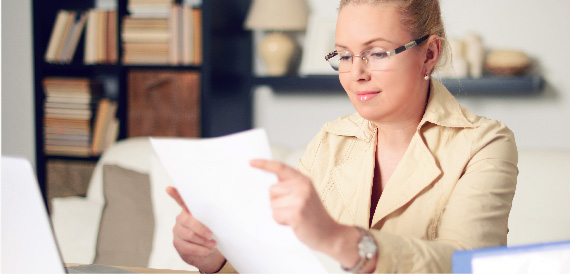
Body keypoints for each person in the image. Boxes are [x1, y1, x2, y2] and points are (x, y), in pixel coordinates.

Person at [166, 0, 518, 272]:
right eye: (345, 55)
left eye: (377, 53)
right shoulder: (330, 140)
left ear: (429, 54)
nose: (355, 74)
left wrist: (339, 240)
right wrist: (216, 256)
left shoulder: (484, 143)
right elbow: (282, 262)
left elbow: (467, 265)